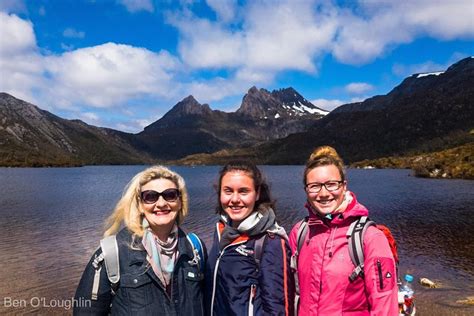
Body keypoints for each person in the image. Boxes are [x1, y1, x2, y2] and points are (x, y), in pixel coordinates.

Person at [74, 165, 206, 315]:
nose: (161, 203)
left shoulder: (195, 249)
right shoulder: (112, 254)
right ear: (140, 205)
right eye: (151, 196)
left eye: (170, 195)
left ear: (180, 201)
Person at [289, 146, 398, 315]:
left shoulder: (370, 238)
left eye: (331, 184)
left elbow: (385, 307)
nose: (324, 193)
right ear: (306, 190)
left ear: (344, 186)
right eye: (314, 186)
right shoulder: (300, 232)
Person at [205, 161, 294, 316]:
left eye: (243, 191)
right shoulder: (221, 231)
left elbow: (278, 309)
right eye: (228, 191)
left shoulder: (270, 242)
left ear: (257, 193)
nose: (234, 199)